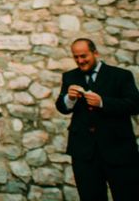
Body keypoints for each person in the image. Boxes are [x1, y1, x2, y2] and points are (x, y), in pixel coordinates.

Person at [55, 38, 139, 201]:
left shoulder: (121, 76)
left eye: (84, 56)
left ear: (95, 53)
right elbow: (61, 107)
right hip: (84, 153)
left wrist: (103, 102)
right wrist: (69, 99)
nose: (80, 61)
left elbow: (135, 105)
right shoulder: (69, 76)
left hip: (118, 150)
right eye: (76, 57)